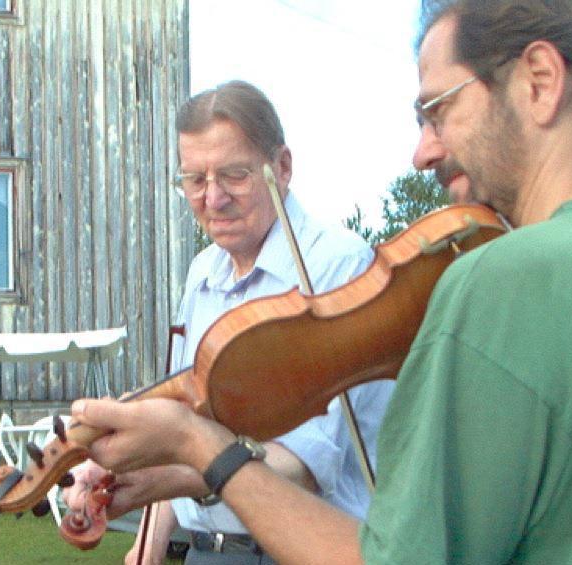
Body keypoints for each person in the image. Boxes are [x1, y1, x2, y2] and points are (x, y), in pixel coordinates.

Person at [67, 1, 572, 564]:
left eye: (437, 111)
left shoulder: (501, 278)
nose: (423, 152)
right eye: (193, 179)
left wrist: (199, 444)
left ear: (539, 82)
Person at [64, 80, 395, 564]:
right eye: (194, 180)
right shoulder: (204, 273)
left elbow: (304, 464)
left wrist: (162, 474)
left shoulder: (336, 266)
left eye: (234, 175)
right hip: (207, 553)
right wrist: (148, 543)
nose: (212, 198)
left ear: (281, 168)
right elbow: (191, 416)